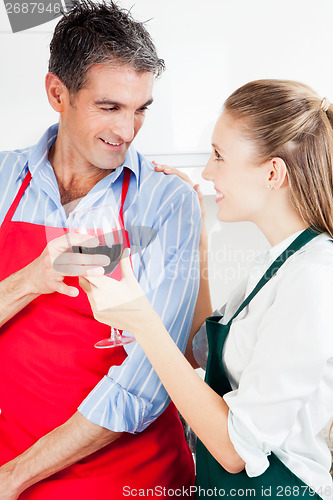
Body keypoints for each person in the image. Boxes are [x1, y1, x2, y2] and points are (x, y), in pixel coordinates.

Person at [80, 79, 333, 500]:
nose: (209, 171)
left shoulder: (315, 277)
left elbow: (236, 449)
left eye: (219, 156)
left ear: (273, 173)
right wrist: (197, 237)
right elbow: (200, 350)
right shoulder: (276, 262)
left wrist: (142, 321)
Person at [0, 1, 201, 498]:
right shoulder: (3, 180)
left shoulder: (165, 201)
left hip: (133, 480)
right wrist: (31, 279)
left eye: (140, 110)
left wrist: (16, 475)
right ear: (57, 93)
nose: (126, 132)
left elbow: (151, 376)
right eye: (109, 107)